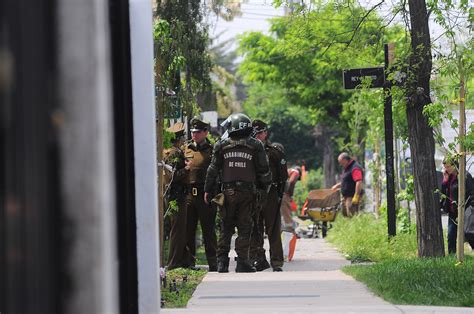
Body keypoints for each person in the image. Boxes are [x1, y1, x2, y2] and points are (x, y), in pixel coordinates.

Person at [204, 113, 272, 273]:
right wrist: (264, 191)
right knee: (245, 227)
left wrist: (207, 190)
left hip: (227, 193)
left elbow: (212, 170)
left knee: (225, 227)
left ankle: (222, 263)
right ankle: (242, 262)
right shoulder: (256, 145)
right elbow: (264, 171)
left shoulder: (221, 145)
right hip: (248, 194)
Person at [249, 119, 288, 272]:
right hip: (254, 192)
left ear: (265, 133)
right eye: (255, 134)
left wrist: (279, 195)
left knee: (273, 228)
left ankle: (277, 261)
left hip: (270, 193)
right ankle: (259, 259)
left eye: (260, 133)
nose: (258, 136)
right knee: (255, 228)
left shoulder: (275, 151)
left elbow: (283, 176)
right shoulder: (249, 150)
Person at [182, 117, 217, 271]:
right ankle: (189, 262)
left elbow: (217, 173)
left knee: (208, 230)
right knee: (188, 230)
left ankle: (213, 263)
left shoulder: (213, 149)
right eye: (192, 132)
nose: (194, 135)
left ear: (205, 132)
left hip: (205, 194)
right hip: (189, 195)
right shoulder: (187, 148)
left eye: (197, 132)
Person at [163, 122, 193, 270]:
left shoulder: (172, 152)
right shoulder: (174, 153)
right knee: (177, 229)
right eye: (183, 137)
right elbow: (173, 176)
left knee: (181, 229)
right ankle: (174, 262)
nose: (184, 140)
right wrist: (187, 168)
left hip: (177, 194)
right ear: (178, 138)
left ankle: (184, 260)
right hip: (176, 195)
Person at [440, 157, 474, 254]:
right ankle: (452, 256)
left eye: (449, 167)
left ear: (455, 165)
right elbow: (444, 194)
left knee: (468, 233)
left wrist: (469, 208)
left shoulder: (465, 176)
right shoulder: (448, 177)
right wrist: (445, 181)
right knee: (451, 235)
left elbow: (472, 193)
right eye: (445, 167)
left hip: (464, 210)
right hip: (453, 211)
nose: (447, 169)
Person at [331, 152, 364, 217]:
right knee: (345, 214)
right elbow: (347, 181)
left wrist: (356, 195)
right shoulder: (347, 168)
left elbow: (358, 182)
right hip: (346, 196)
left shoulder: (355, 168)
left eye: (341, 162)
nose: (341, 164)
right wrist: (337, 185)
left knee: (351, 214)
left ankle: (355, 226)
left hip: (352, 196)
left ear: (345, 160)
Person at [280, 166, 301, 233]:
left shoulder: (288, 170)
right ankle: (290, 230)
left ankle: (279, 228)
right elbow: (291, 182)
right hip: (284, 193)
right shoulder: (296, 172)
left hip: (277, 190)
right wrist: (289, 194)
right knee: (286, 211)